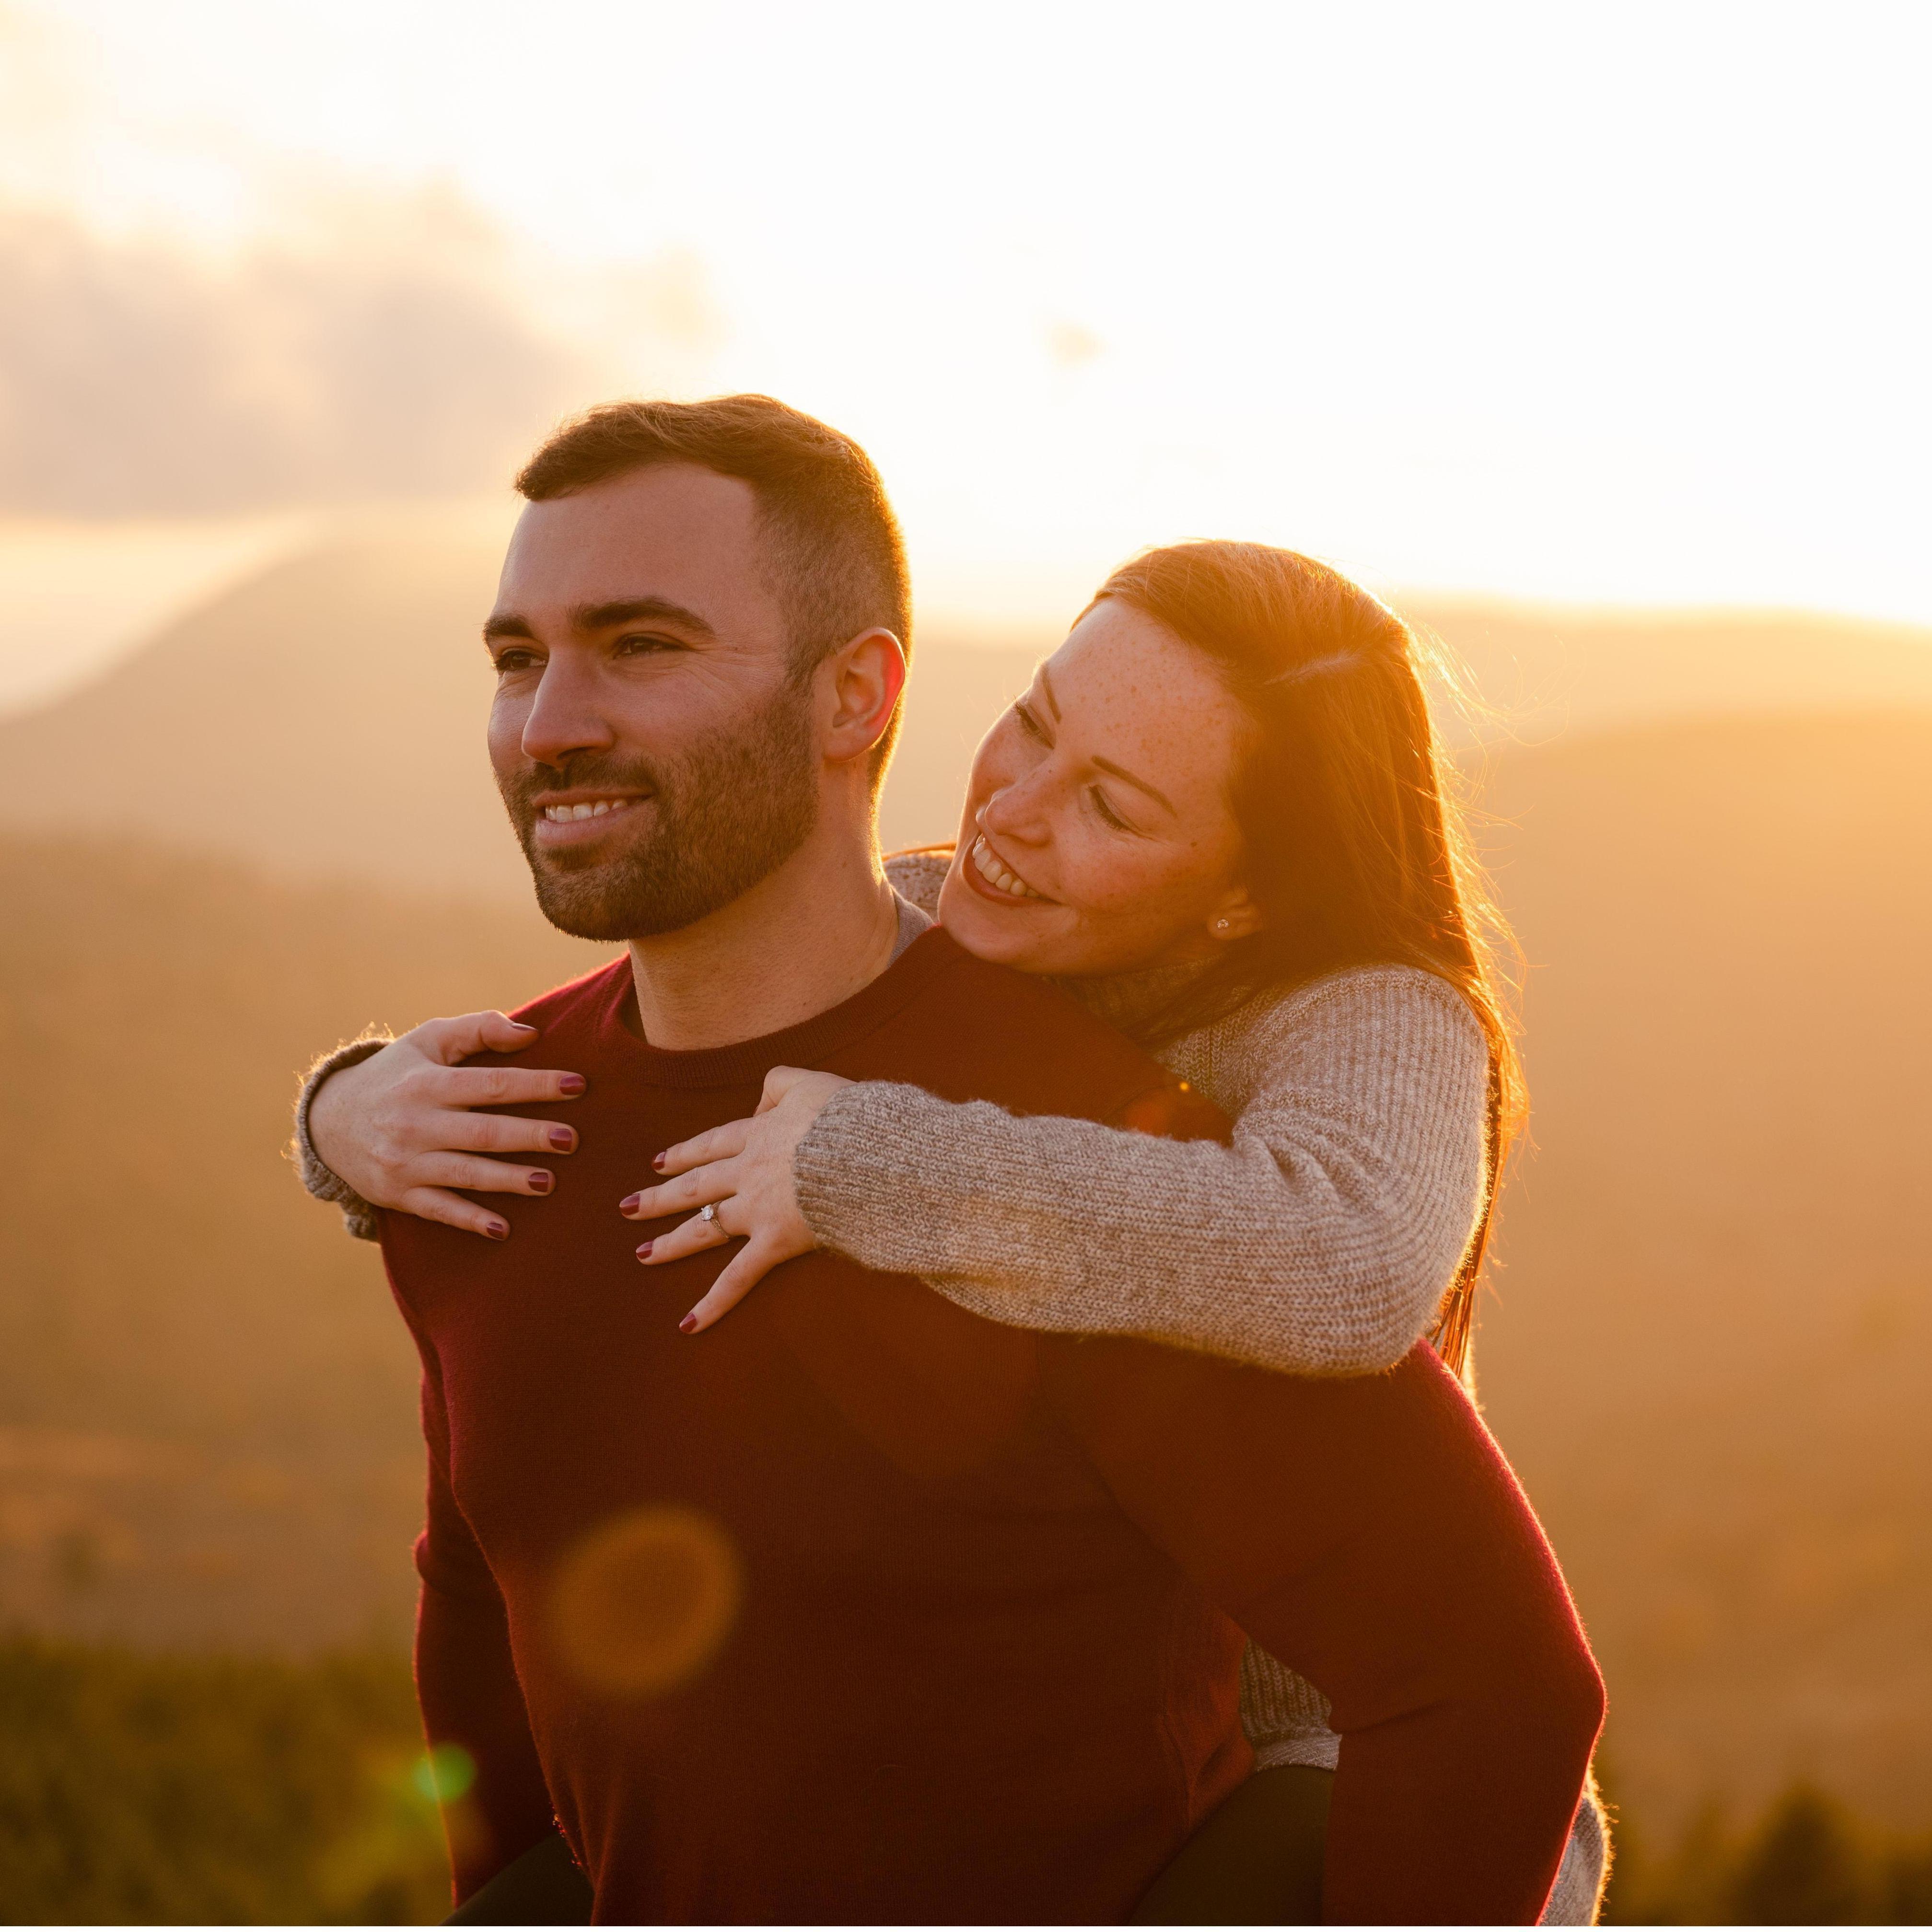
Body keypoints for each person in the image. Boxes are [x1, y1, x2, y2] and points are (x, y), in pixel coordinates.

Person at [300, 393, 1604, 1922]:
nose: (1015, 814)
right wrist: (341, 1114)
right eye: (518, 657)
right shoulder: (479, 1126)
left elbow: (1361, 1310)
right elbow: (484, 1579)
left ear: (858, 695)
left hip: (1307, 1770)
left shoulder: (1208, 1120)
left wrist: (869, 1168)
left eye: (644, 645)